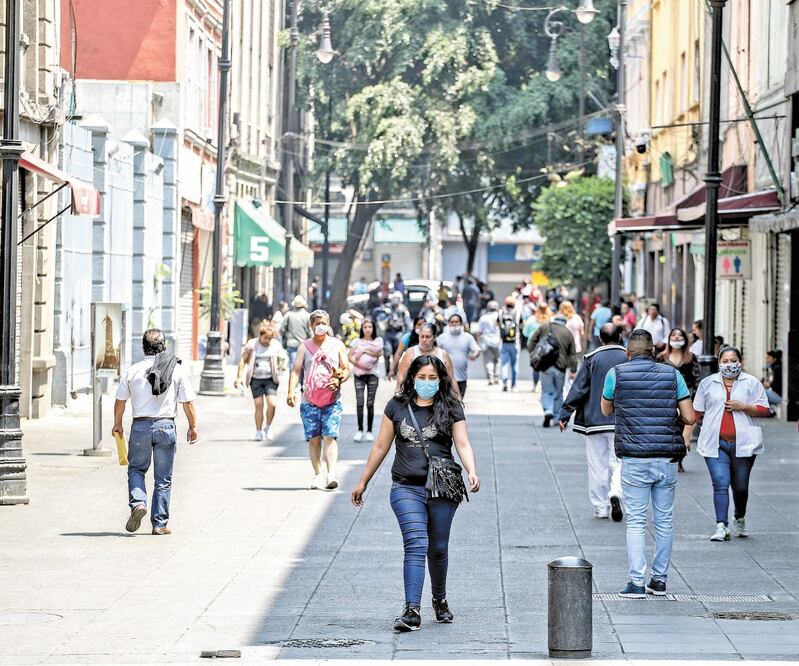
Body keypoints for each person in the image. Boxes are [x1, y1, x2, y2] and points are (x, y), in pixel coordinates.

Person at [351, 354, 480, 632]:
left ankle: (440, 599)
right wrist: (363, 481)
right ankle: (411, 610)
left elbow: (463, 443)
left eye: (432, 378)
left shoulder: (451, 407)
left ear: (441, 379)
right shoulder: (396, 407)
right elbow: (380, 447)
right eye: (421, 377)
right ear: (412, 378)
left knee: (438, 548)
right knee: (416, 544)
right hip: (405, 486)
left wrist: (471, 470)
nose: (426, 382)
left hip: (442, 488)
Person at [600, 329, 695, 598]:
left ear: (628, 353)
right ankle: (660, 581)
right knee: (664, 521)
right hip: (666, 458)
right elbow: (689, 417)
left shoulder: (616, 374)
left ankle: (636, 582)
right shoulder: (672, 374)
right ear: (654, 352)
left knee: (637, 522)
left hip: (634, 458)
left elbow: (606, 410)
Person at [113, 329, 198, 535]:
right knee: (163, 478)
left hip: (140, 426)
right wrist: (192, 426)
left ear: (142, 347)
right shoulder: (176, 370)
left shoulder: (132, 371)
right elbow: (187, 403)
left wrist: (118, 424)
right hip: (166, 426)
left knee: (136, 469)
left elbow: (120, 402)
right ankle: (159, 524)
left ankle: (138, 503)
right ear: (165, 346)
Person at [693, 346, 770, 541]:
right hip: (715, 443)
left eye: (733, 360)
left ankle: (739, 517)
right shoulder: (707, 384)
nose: (729, 365)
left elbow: (765, 409)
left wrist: (744, 407)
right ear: (719, 363)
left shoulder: (751, 383)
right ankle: (721, 526)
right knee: (720, 483)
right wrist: (685, 435)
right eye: (725, 361)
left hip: (744, 444)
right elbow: (696, 412)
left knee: (741, 487)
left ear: (740, 362)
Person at [559, 323, 627, 521]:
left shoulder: (592, 358)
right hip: (622, 421)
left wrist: (565, 413)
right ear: (620, 336)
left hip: (595, 420)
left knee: (597, 464)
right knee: (620, 461)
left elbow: (579, 388)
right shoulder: (628, 357)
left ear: (600, 338)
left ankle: (601, 506)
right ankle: (616, 491)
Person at [287, 310, 350, 491]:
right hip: (309, 400)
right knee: (314, 439)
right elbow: (296, 370)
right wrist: (291, 390)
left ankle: (331, 474)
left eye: (323, 322)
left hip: (332, 400)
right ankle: (318, 474)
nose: (320, 326)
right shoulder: (304, 347)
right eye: (317, 323)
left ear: (328, 323)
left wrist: (338, 379)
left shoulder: (337, 345)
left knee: (330, 436)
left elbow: (345, 368)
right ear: (311, 326)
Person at [234, 322, 288, 442]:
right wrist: (239, 377)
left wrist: (283, 364)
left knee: (272, 404)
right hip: (256, 379)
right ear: (260, 335)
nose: (268, 340)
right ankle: (258, 431)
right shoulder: (252, 344)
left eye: (270, 338)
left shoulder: (275, 345)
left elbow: (284, 357)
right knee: (259, 405)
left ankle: (268, 427)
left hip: (271, 379)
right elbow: (242, 360)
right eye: (265, 338)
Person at [657, 328, 701, 472]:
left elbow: (696, 379)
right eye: (673, 335)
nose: (676, 337)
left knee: (682, 431)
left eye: (680, 335)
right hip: (665, 400)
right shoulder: (660, 358)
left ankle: (679, 460)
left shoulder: (691, 358)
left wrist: (695, 399)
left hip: (685, 399)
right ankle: (667, 457)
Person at [528, 312, 578, 428]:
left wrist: (534, 353)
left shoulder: (544, 327)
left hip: (545, 365)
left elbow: (532, 341)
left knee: (546, 390)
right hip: (560, 367)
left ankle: (547, 410)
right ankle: (556, 418)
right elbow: (572, 354)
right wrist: (573, 369)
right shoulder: (567, 333)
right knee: (558, 392)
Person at [395, 323, 459, 396]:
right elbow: (401, 375)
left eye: (428, 337)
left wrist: (458, 398)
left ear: (434, 337)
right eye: (422, 336)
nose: (424, 339)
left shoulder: (443, 354)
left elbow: (452, 379)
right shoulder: (411, 353)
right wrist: (400, 394)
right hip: (413, 396)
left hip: (438, 397)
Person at [348, 318, 384, 442]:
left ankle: (369, 431)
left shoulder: (378, 341)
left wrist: (364, 350)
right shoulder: (356, 341)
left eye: (370, 327)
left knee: (370, 403)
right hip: (359, 375)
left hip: (373, 374)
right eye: (365, 327)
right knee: (360, 402)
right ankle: (359, 430)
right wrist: (361, 365)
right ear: (362, 329)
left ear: (373, 328)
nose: (368, 329)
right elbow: (350, 357)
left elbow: (379, 352)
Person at [437, 313, 480, 398]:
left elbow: (477, 350)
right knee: (447, 404)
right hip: (446, 378)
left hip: (461, 378)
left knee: (458, 404)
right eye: (452, 322)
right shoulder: (442, 338)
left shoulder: (468, 337)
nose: (454, 324)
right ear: (449, 323)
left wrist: (474, 355)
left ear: (461, 323)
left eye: (456, 322)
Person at [382, 291, 412, 374]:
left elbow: (408, 322)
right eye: (394, 298)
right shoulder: (386, 308)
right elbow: (380, 318)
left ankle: (394, 371)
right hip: (388, 332)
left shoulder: (403, 309)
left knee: (397, 353)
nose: (395, 300)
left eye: (397, 298)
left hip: (398, 333)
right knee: (387, 352)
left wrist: (409, 333)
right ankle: (387, 371)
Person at [280, 295, 311, 370]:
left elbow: (282, 329)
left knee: (293, 367)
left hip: (292, 344)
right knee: (303, 368)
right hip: (304, 345)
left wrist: (286, 337)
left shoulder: (288, 315)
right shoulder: (308, 316)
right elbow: (310, 332)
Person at [498, 297, 520, 392]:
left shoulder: (501, 313)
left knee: (504, 364)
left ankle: (504, 383)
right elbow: (522, 325)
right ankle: (514, 385)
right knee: (514, 364)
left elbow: (497, 324)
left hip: (504, 343)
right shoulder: (517, 313)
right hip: (515, 343)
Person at [477, 301, 502, 385]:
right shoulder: (500, 316)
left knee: (488, 360)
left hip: (486, 340)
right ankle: (496, 377)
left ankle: (490, 378)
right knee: (498, 360)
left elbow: (479, 331)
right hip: (498, 340)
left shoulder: (483, 318)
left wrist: (478, 343)